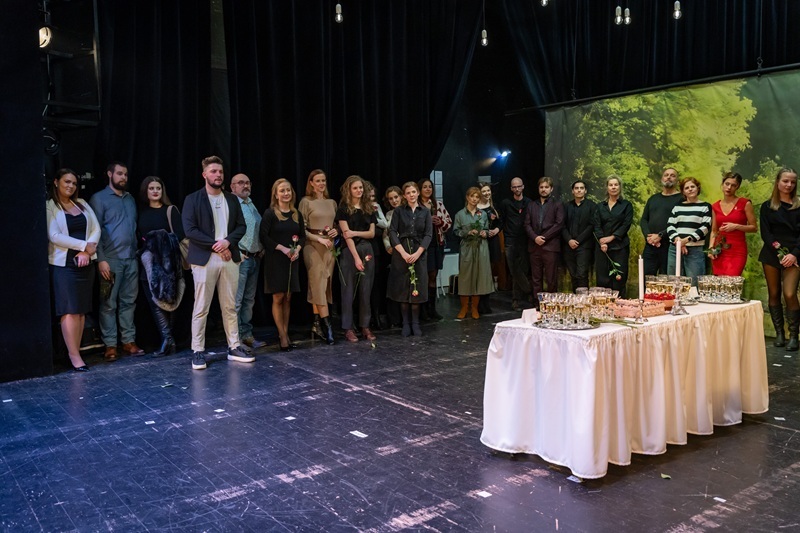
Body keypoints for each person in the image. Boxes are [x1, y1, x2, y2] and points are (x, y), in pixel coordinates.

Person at [181, 156, 253, 370]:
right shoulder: (193, 199)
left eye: (220, 171)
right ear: (204, 174)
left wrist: (227, 242)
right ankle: (197, 350)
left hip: (229, 258)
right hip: (205, 259)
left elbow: (241, 226)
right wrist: (217, 245)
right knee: (201, 306)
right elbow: (190, 230)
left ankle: (234, 346)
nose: (218, 175)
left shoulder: (231, 199)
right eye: (213, 171)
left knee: (230, 306)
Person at [89, 161, 144, 360]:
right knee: (108, 304)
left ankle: (128, 341)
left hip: (131, 259)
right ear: (109, 174)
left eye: (125, 174)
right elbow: (94, 231)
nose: (123, 177)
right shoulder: (99, 198)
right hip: (110, 260)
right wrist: (101, 259)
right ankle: (110, 344)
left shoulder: (130, 199)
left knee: (129, 302)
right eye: (119, 173)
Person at [47, 169, 100, 372]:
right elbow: (54, 235)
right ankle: (74, 356)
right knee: (69, 309)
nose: (70, 186)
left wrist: (87, 251)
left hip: (86, 263)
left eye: (74, 183)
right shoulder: (50, 206)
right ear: (56, 182)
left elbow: (96, 229)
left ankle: (77, 351)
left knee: (80, 310)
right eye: (67, 182)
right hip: (64, 265)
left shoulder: (82, 203)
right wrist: (83, 246)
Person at [137, 176, 184, 356]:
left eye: (158, 188)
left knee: (170, 300)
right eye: (151, 188)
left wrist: (159, 239)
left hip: (168, 264)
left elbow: (180, 234)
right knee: (154, 302)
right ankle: (168, 339)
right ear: (146, 191)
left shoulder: (170, 210)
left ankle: (168, 340)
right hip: (148, 264)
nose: (155, 191)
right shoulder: (141, 212)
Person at [259, 179, 305, 351]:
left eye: (288, 190)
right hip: (276, 259)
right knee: (278, 297)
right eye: (282, 191)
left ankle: (285, 331)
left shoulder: (296, 213)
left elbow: (302, 236)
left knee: (288, 297)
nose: (286, 193)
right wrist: (283, 249)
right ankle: (282, 335)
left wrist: (297, 249)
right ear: (276, 195)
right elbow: (264, 237)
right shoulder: (270, 213)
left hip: (292, 259)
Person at [759, 167, 800, 351]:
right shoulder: (767, 206)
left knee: (790, 294)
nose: (789, 185)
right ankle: (779, 334)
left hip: (795, 256)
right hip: (772, 254)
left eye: (792, 182)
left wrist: (793, 254)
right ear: (777, 182)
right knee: (774, 293)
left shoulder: (799, 205)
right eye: (785, 181)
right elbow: (766, 234)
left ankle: (794, 336)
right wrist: (780, 252)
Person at [298, 169, 338, 345]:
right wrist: (318, 239)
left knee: (323, 285)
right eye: (318, 181)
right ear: (311, 183)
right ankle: (328, 327)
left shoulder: (332, 202)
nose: (321, 183)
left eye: (323, 180)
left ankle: (316, 324)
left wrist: (336, 231)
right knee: (318, 282)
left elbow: (335, 224)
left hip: (329, 246)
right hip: (312, 246)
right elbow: (302, 229)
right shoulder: (306, 202)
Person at [387, 181, 432, 336]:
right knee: (403, 288)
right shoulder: (399, 211)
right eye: (408, 193)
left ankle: (415, 323)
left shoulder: (425, 211)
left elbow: (428, 234)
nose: (411, 195)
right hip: (402, 252)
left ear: (418, 193)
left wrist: (418, 253)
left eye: (413, 192)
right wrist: (403, 253)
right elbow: (392, 232)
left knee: (417, 287)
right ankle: (405, 323)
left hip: (418, 252)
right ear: (404, 196)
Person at [336, 175, 378, 342]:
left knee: (366, 289)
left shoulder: (369, 208)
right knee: (348, 290)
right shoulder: (343, 209)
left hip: (367, 248)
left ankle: (365, 325)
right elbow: (346, 236)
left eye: (361, 187)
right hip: (349, 250)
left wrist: (354, 232)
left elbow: (372, 233)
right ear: (349, 190)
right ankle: (348, 328)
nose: (359, 190)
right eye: (355, 188)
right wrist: (356, 258)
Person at [230, 173, 266, 349]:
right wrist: (236, 252)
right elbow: (225, 231)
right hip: (241, 259)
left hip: (254, 258)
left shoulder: (250, 203)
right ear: (232, 186)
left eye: (247, 183)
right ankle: (235, 339)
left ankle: (246, 335)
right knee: (236, 301)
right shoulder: (231, 204)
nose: (245, 186)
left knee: (248, 301)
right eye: (240, 183)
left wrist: (262, 247)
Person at [453, 187, 493, 319]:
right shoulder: (460, 214)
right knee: (465, 277)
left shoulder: (483, 214)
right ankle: (464, 307)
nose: (474, 199)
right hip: (467, 248)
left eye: (477, 197)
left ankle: (475, 308)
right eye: (472, 196)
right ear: (467, 197)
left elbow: (487, 229)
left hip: (481, 248)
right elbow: (456, 231)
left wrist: (485, 233)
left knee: (479, 277)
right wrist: (467, 232)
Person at [524, 177, 565, 305]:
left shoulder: (557, 204)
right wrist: (535, 237)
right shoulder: (532, 205)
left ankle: (551, 305)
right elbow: (526, 224)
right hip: (534, 246)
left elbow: (559, 224)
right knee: (536, 279)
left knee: (551, 278)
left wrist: (544, 238)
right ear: (538, 189)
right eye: (541, 187)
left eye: (546, 187)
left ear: (551, 189)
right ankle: (538, 304)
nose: (543, 189)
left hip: (550, 246)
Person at [665, 177, 712, 286]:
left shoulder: (705, 206)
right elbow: (670, 225)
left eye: (692, 186)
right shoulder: (677, 207)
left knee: (694, 283)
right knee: (673, 282)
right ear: (683, 191)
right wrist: (678, 241)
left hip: (695, 250)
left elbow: (705, 227)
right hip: (675, 249)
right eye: (687, 188)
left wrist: (686, 240)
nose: (690, 189)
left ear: (698, 188)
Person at [708, 172, 757, 276]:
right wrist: (711, 248)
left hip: (737, 251)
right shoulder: (715, 206)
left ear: (737, 187)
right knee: (719, 282)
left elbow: (754, 228)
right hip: (719, 250)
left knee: (732, 281)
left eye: (733, 185)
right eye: (727, 184)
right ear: (722, 184)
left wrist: (736, 226)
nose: (729, 187)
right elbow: (714, 231)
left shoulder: (745, 203)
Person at [593, 175, 633, 298]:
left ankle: (619, 305)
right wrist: (602, 240)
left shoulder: (626, 205)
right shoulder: (600, 206)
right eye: (611, 185)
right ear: (607, 187)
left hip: (620, 247)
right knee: (602, 279)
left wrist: (612, 237)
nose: (613, 187)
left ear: (620, 187)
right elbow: (596, 225)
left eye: (616, 185)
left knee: (619, 279)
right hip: (602, 248)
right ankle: (603, 305)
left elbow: (626, 225)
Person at [419, 178, 452, 320]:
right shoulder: (417, 205)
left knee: (433, 275)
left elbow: (449, 223)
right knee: (424, 277)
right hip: (423, 246)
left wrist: (440, 222)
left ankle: (432, 309)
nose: (428, 189)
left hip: (437, 244)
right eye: (425, 187)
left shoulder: (438, 205)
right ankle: (423, 310)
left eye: (430, 187)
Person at [640, 167, 683, 276]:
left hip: (669, 246)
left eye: (672, 175)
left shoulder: (681, 199)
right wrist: (648, 237)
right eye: (666, 175)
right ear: (662, 179)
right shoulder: (653, 198)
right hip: (650, 245)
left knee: (666, 279)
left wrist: (660, 235)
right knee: (646, 278)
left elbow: (680, 223)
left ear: (677, 180)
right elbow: (644, 220)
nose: (669, 177)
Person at [499, 177, 531, 310]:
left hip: (525, 240)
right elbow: (501, 220)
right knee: (514, 270)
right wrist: (496, 229)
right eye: (514, 187)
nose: (517, 189)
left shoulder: (529, 203)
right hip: (510, 240)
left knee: (523, 269)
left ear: (523, 187)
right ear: (511, 188)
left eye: (519, 186)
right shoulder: (506, 203)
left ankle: (516, 299)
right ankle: (527, 291)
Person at [561, 179, 596, 291]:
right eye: (576, 188)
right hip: (568, 246)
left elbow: (591, 226)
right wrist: (569, 240)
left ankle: (584, 299)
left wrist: (578, 241)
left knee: (581, 274)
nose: (579, 190)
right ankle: (576, 300)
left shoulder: (592, 206)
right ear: (573, 191)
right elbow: (562, 225)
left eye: (581, 188)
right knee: (573, 275)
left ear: (585, 191)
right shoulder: (566, 206)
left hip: (584, 246)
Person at [365, 181, 390, 330]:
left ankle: (376, 316)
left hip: (375, 248)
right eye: (369, 196)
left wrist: (373, 217)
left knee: (375, 284)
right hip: (362, 246)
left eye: (373, 196)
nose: (372, 199)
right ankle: (363, 318)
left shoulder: (376, 207)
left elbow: (385, 224)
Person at [477, 182, 501, 314]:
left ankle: (487, 301)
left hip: (493, 240)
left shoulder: (494, 206)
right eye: (484, 191)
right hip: (481, 241)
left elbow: (501, 222)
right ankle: (479, 302)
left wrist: (496, 230)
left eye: (488, 190)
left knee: (490, 271)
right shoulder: (476, 207)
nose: (487, 193)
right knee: (481, 271)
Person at [382, 186, 404, 327]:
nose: (394, 200)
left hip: (408, 250)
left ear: (401, 196)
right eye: (391, 199)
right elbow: (386, 233)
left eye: (396, 197)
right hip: (395, 252)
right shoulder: (389, 214)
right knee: (395, 285)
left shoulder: (407, 211)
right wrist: (388, 246)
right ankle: (395, 318)